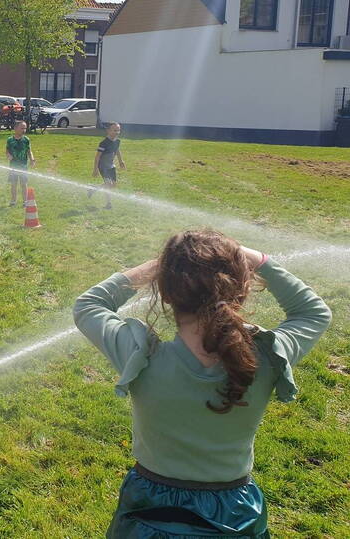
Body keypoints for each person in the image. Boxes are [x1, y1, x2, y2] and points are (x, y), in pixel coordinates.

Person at [73, 230, 331, 537]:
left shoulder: (140, 354)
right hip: (236, 511)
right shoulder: (268, 354)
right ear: (243, 289)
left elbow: (89, 304)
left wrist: (155, 267)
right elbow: (314, 312)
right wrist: (260, 261)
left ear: (166, 292)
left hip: (149, 505)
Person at [88, 122, 125, 209]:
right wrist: (95, 169)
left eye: (118, 130)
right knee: (108, 184)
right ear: (108, 131)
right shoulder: (104, 143)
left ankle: (93, 189)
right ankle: (108, 204)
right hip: (103, 167)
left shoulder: (117, 141)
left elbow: (117, 151)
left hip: (111, 166)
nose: (116, 132)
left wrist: (121, 161)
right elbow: (97, 157)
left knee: (113, 185)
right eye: (114, 130)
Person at [5, 120, 35, 207]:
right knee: (13, 184)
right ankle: (13, 201)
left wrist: (32, 159)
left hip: (23, 166)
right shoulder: (10, 140)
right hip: (13, 166)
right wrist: (8, 155)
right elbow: (7, 151)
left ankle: (25, 201)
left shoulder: (26, 140)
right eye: (22, 128)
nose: (24, 130)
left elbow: (29, 151)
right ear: (15, 128)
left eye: (25, 128)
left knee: (24, 184)